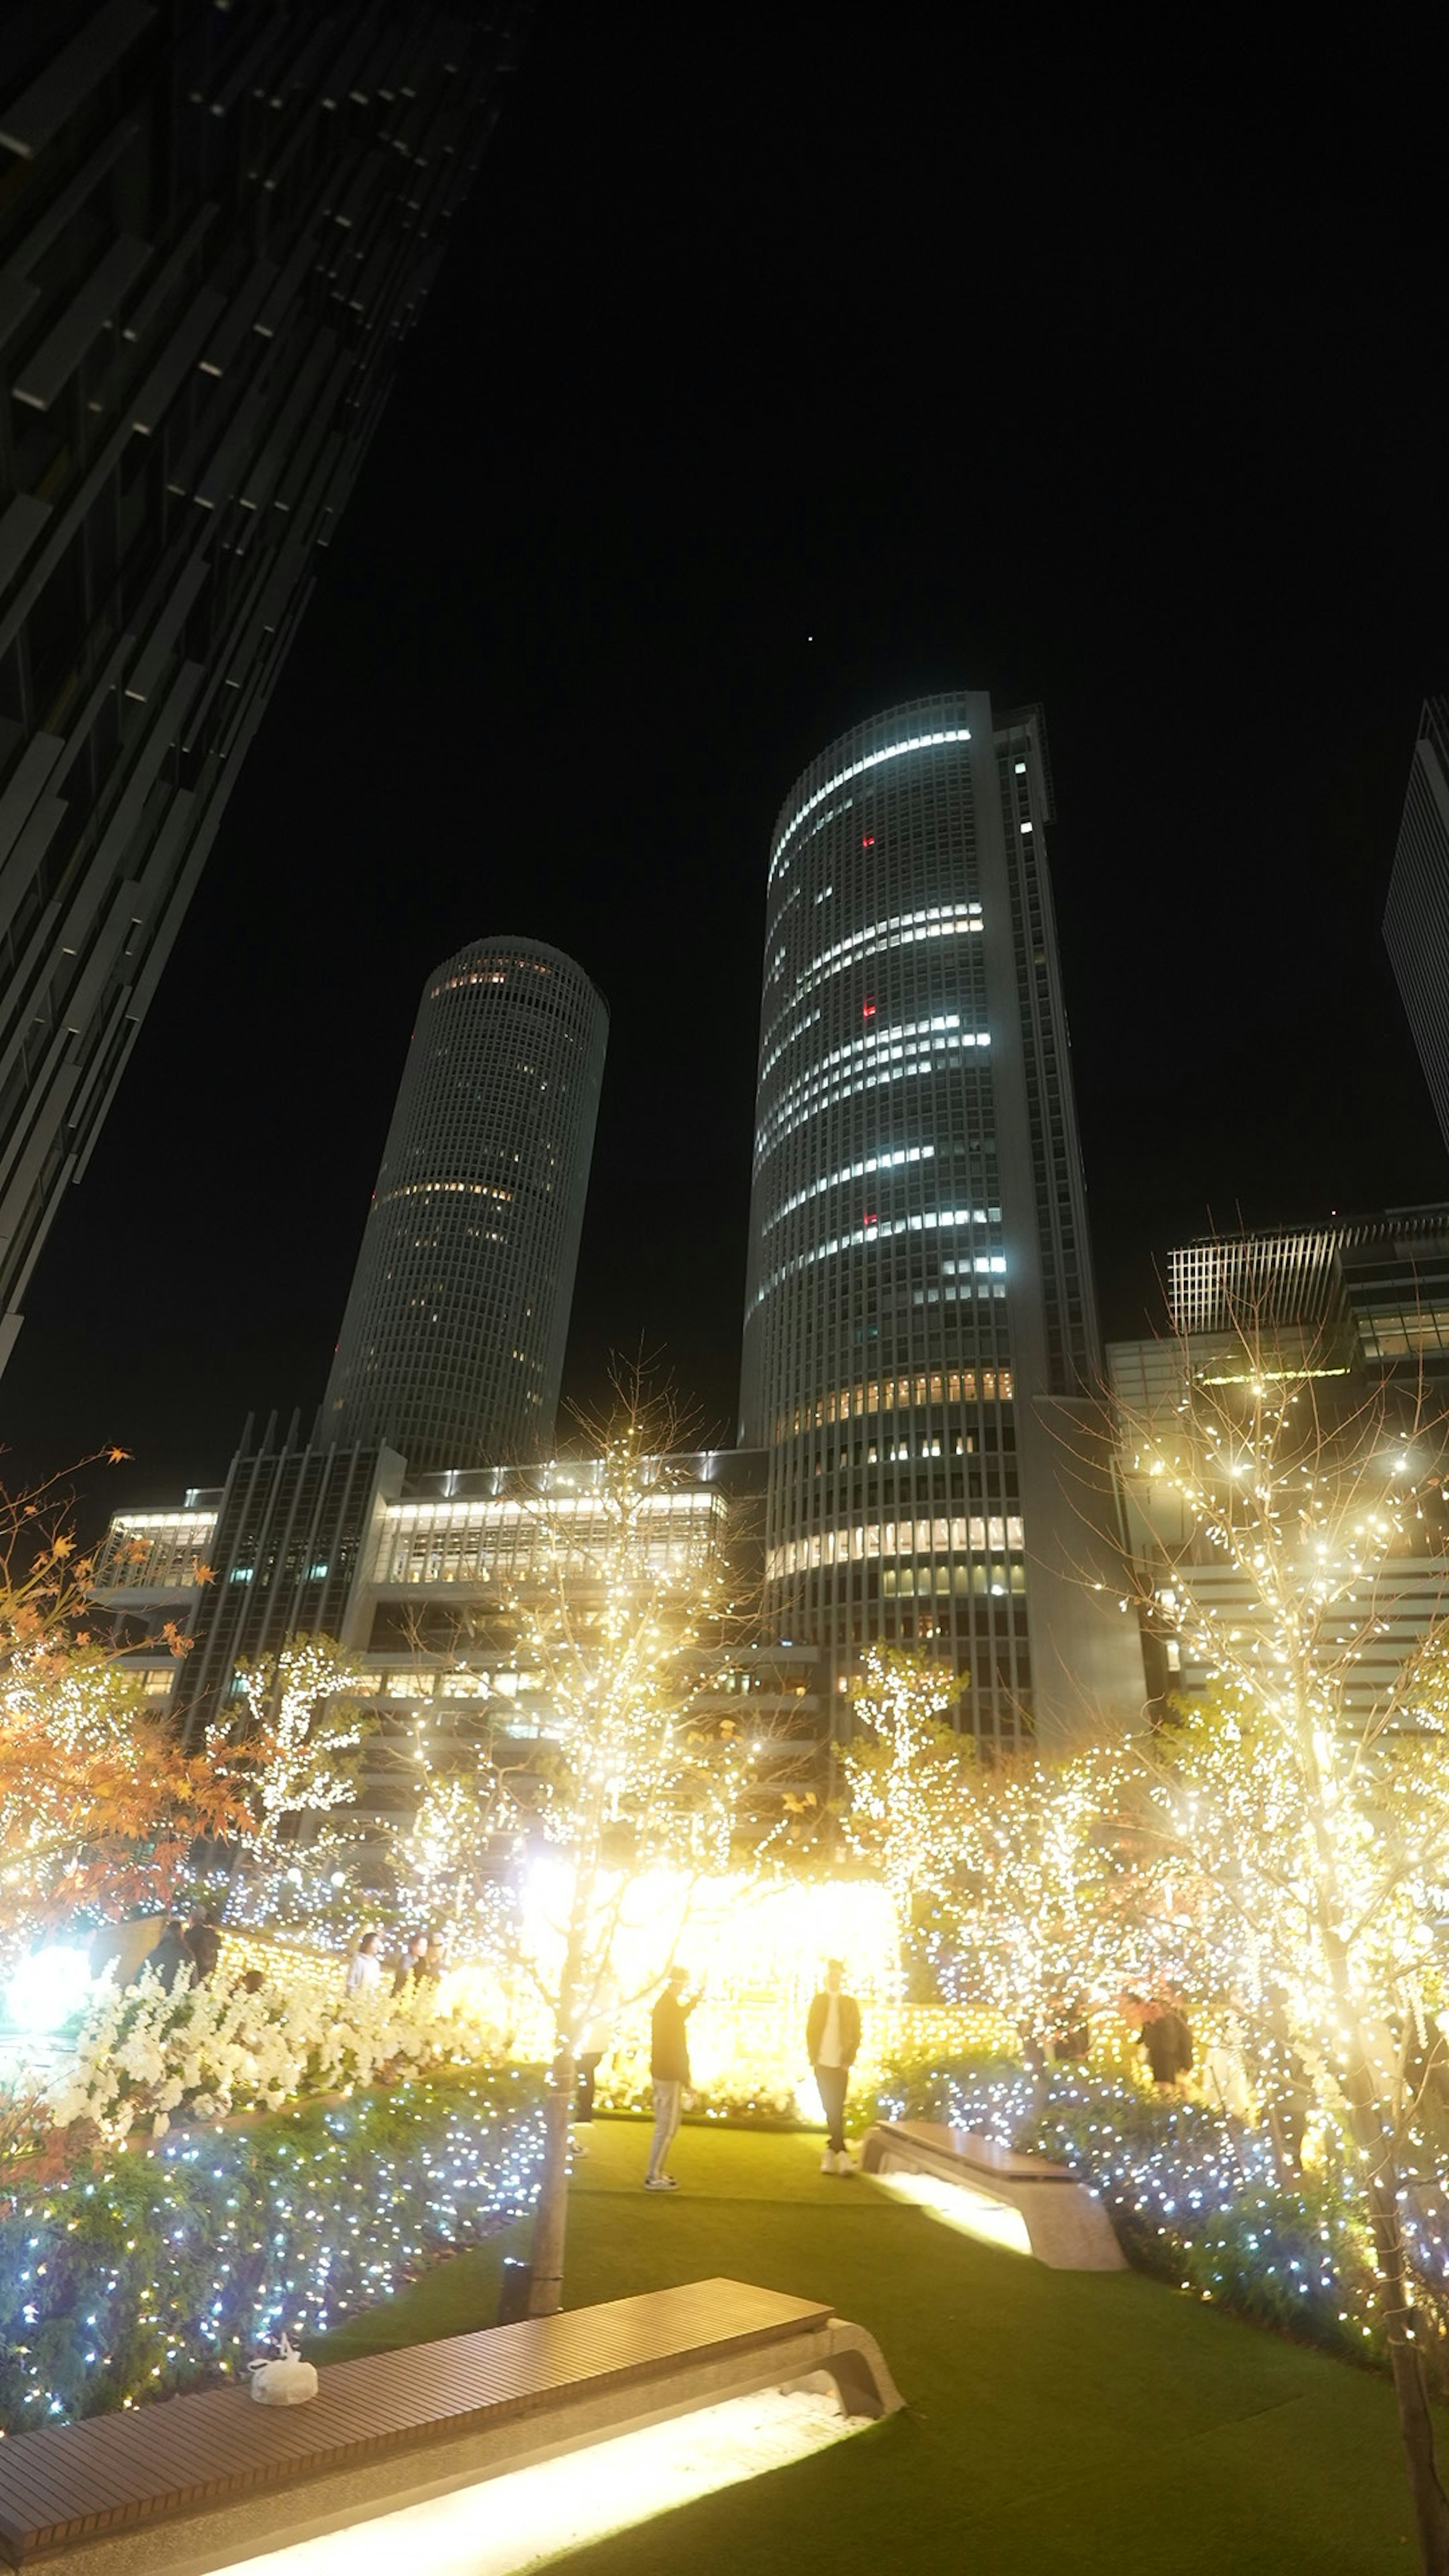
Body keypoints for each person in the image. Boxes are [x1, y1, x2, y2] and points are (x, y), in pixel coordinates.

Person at [645, 1966, 699, 2190]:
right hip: (669, 2074)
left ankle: (656, 2172)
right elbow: (677, 2048)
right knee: (667, 2128)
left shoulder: (665, 2006)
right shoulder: (668, 2008)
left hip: (661, 2071)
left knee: (664, 2126)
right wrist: (686, 2080)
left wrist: (697, 1999)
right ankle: (653, 2175)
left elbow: (680, 2017)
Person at [807, 1959, 861, 2173]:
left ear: (841, 1977)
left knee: (838, 2106)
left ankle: (835, 2152)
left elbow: (856, 2033)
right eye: (831, 1974)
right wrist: (813, 2057)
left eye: (837, 1974)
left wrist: (849, 2059)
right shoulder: (819, 2001)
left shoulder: (849, 2003)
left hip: (841, 2063)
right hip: (822, 2061)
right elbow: (811, 2030)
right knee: (829, 2106)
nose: (834, 1978)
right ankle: (840, 2152)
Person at [574, 1975, 619, 2133]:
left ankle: (583, 2113)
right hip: (592, 2048)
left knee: (584, 2079)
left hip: (589, 2048)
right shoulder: (601, 2004)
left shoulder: (595, 2005)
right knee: (585, 2079)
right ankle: (583, 2113)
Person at [135, 1918, 191, 1992]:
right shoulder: (188, 1954)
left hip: (156, 1996)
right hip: (178, 1998)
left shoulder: (156, 1953)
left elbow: (141, 1975)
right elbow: (193, 1980)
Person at [185, 1907, 221, 1985]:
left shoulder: (189, 1936)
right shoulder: (213, 1937)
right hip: (206, 1981)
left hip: (190, 1980)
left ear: (191, 1920)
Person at [393, 1929, 437, 1993]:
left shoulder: (422, 1961)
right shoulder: (407, 1959)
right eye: (421, 1945)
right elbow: (405, 1974)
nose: (424, 1948)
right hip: (403, 1991)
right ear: (413, 1946)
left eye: (425, 1946)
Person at [345, 1930, 383, 1999]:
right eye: (374, 1943)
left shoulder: (375, 1964)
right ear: (367, 1943)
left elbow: (374, 1986)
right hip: (356, 1998)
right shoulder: (358, 1960)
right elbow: (351, 1981)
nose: (377, 1946)